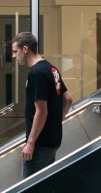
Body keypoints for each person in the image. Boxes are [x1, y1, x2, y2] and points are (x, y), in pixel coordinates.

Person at [11, 32, 72, 178]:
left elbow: (41, 111)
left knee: (30, 191)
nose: (14, 56)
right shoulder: (52, 69)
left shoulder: (36, 73)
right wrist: (56, 122)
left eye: (15, 51)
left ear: (25, 49)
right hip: (53, 139)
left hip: (40, 143)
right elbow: (68, 98)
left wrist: (30, 143)